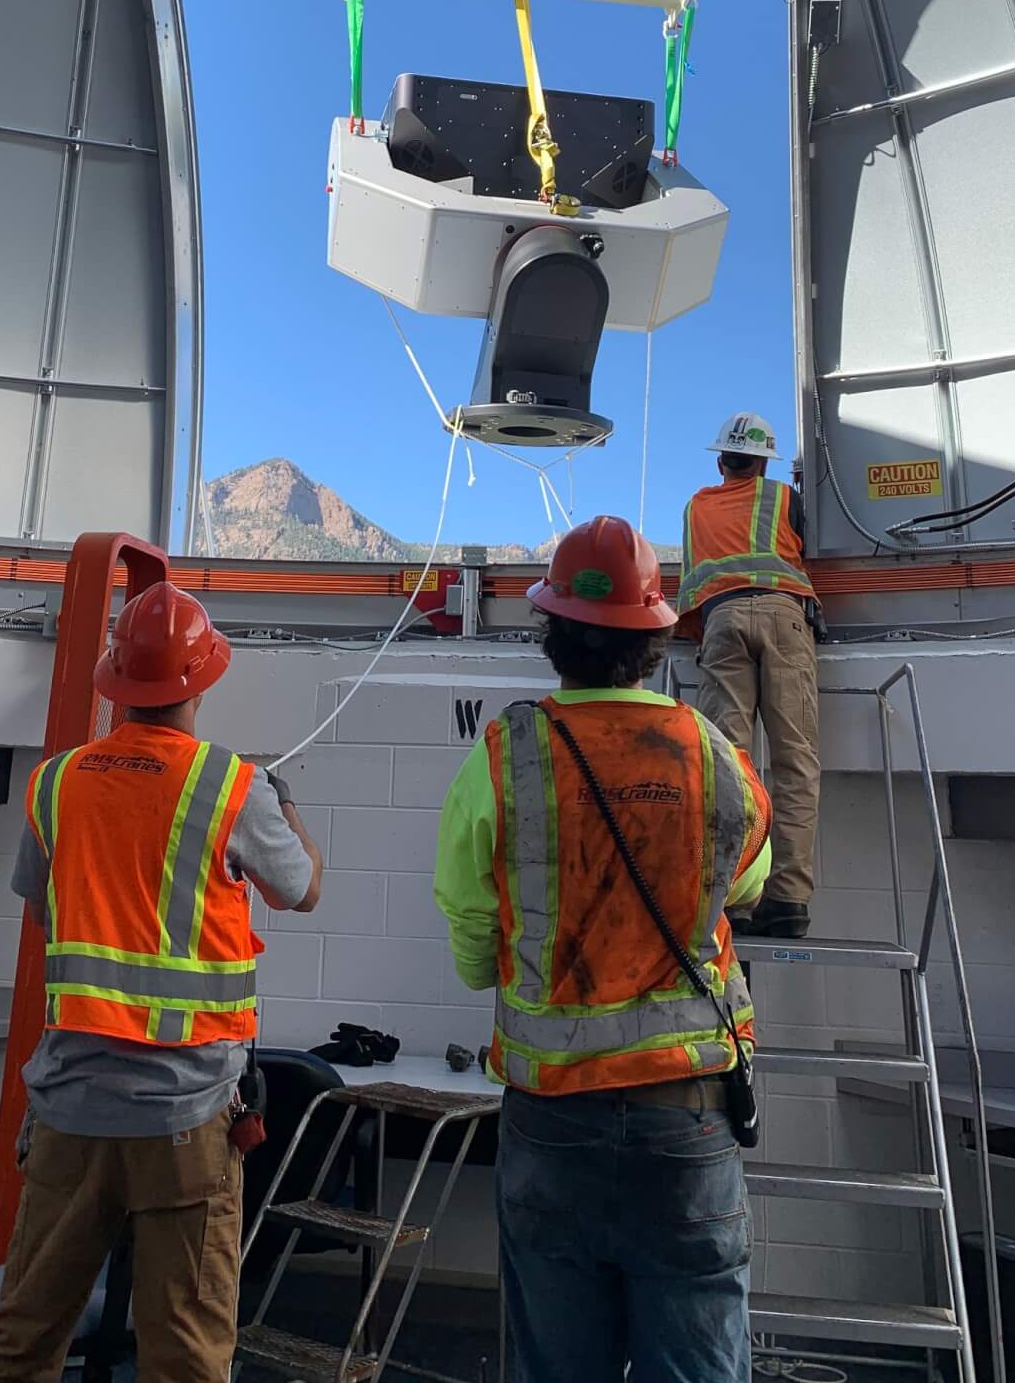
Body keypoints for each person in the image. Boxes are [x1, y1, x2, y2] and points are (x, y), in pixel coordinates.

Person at [434, 516, 772, 1383]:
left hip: (551, 1121)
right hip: (687, 1118)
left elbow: (470, 916)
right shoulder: (716, 756)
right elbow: (748, 884)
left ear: (553, 640)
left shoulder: (505, 754)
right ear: (653, 644)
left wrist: (494, 974)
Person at [0, 581, 322, 1383]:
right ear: (201, 680)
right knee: (188, 1359)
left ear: (116, 681)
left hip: (71, 1110)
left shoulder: (57, 782)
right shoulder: (235, 787)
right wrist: (284, 802)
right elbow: (303, 888)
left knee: (21, 1344)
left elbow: (45, 919)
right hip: (188, 1118)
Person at [677, 412, 821, 940]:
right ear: (764, 463)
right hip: (785, 618)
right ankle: (788, 900)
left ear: (721, 460)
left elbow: (693, 584)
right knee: (794, 762)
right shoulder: (785, 498)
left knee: (729, 767)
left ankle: (735, 899)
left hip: (722, 622)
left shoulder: (697, 507)